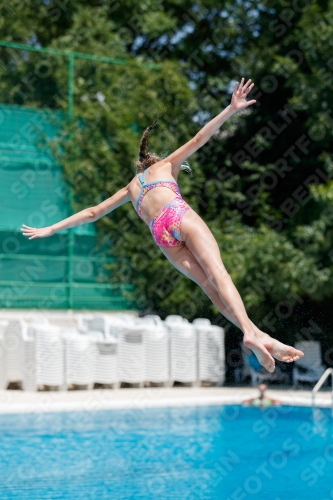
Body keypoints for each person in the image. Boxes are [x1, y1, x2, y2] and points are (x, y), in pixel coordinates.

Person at [21, 77, 304, 373]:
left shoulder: (130, 189)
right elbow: (198, 140)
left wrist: (51, 228)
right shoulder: (164, 165)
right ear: (152, 159)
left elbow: (93, 212)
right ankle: (251, 332)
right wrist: (230, 110)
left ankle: (259, 335)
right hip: (177, 214)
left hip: (161, 234)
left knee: (209, 287)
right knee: (218, 273)